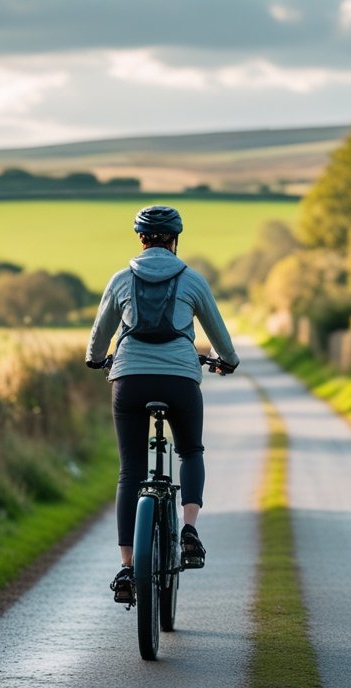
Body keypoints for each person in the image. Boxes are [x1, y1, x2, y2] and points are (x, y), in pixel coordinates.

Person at [85, 205, 239, 603]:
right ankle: (188, 529)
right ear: (175, 239)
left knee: (131, 469)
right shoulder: (192, 280)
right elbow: (221, 338)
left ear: (140, 239)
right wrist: (227, 361)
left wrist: (99, 358)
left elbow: (97, 342)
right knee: (190, 450)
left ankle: (126, 566)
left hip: (130, 380)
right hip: (180, 380)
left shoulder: (121, 280)